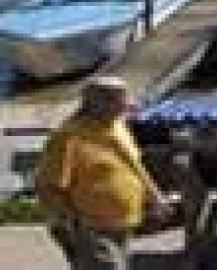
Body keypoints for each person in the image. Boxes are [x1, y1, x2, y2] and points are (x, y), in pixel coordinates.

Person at [34, 75, 168, 270]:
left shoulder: (118, 126)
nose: (125, 105)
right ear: (94, 102)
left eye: (124, 98)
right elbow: (48, 185)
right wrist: (71, 223)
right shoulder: (69, 136)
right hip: (90, 226)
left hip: (123, 222)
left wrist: (155, 197)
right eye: (117, 99)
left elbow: (134, 166)